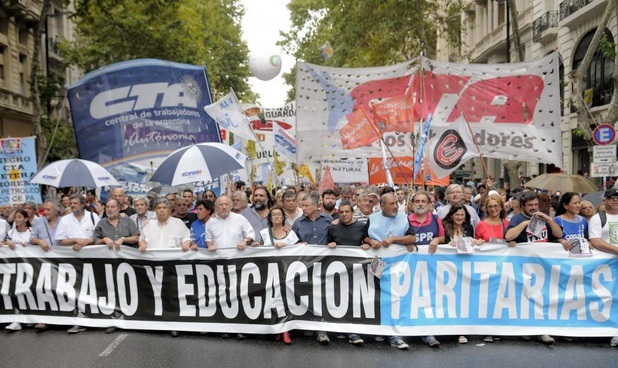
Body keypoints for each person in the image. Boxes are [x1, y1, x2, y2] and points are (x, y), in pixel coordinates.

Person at [504, 191, 561, 345]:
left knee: (544, 297)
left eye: (536, 205)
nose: (533, 207)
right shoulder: (517, 218)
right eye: (530, 205)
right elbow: (508, 236)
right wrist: (524, 224)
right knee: (526, 297)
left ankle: (544, 330)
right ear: (523, 206)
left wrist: (549, 219)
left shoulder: (543, 216)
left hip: (544, 265)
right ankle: (526, 329)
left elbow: (558, 233)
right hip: (525, 265)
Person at [363, 193, 416, 349]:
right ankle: (381, 329)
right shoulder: (372, 219)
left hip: (397, 265)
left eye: (396, 204)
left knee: (393, 297)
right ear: (382, 205)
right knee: (377, 296)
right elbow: (364, 237)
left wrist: (393, 239)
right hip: (377, 263)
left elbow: (412, 238)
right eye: (391, 204)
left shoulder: (403, 218)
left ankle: (394, 334)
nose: (395, 206)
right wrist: (370, 241)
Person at [55, 194, 100, 334]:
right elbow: (60, 240)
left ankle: (95, 316)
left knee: (92, 288)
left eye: (75, 203)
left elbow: (98, 237)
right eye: (71, 203)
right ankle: (79, 318)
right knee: (76, 289)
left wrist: (86, 242)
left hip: (93, 260)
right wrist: (76, 240)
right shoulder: (65, 220)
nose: (72, 205)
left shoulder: (93, 217)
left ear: (82, 204)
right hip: (72, 261)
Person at [292, 191, 333, 345]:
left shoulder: (329, 221)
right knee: (307, 294)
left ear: (316, 206)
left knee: (322, 296)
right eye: (302, 206)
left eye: (306, 206)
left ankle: (321, 329)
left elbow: (335, 239)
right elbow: (292, 243)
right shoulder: (298, 223)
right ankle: (307, 324)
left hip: (324, 265)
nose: (303, 208)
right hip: (305, 266)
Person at [406, 191, 442, 348]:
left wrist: (436, 239)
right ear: (412, 204)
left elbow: (443, 237)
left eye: (423, 201)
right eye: (417, 201)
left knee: (428, 299)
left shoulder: (435, 219)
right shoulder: (406, 220)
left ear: (429, 204)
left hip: (431, 268)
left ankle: (427, 332)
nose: (420, 204)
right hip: (410, 267)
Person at [588, 187, 618, 347]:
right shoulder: (598, 218)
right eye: (612, 197)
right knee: (606, 298)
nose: (615, 199)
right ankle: (602, 330)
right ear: (604, 200)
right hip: (605, 268)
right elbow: (595, 240)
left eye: (617, 197)